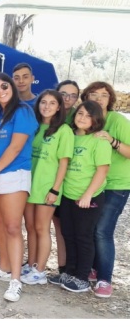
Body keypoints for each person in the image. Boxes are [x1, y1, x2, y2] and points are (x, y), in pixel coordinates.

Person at [0, 73, 38, 302]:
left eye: (4, 86)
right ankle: (2, 269)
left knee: (13, 227)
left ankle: (15, 280)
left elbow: (15, 148)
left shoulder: (22, 111)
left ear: (11, 86)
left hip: (13, 174)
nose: (1, 90)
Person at [82, 82, 130, 298]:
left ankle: (104, 279)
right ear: (86, 97)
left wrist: (112, 140)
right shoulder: (85, 118)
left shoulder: (117, 120)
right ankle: (93, 268)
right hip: (92, 183)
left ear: (110, 99)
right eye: (94, 94)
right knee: (91, 227)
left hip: (116, 184)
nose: (99, 98)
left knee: (103, 230)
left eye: (104, 95)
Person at [57, 100, 110, 293]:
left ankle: (82, 277)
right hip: (68, 194)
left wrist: (88, 195)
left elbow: (102, 171)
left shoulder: (99, 140)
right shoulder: (69, 136)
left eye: (88, 115)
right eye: (80, 113)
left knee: (83, 237)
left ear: (96, 119)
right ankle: (69, 271)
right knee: (68, 234)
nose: (83, 118)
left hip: (89, 197)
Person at [21, 90, 73, 285]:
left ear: (59, 107)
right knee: (31, 227)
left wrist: (55, 189)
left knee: (42, 228)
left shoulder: (63, 130)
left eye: (52, 103)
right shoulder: (34, 126)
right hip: (28, 184)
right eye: (43, 102)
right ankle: (31, 264)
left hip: (47, 187)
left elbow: (63, 163)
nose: (47, 106)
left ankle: (40, 271)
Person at [47, 80, 80, 284]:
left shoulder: (81, 117)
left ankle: (79, 269)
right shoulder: (51, 118)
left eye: (73, 95)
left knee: (77, 229)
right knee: (59, 225)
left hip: (77, 182)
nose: (68, 99)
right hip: (56, 182)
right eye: (64, 94)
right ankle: (64, 267)